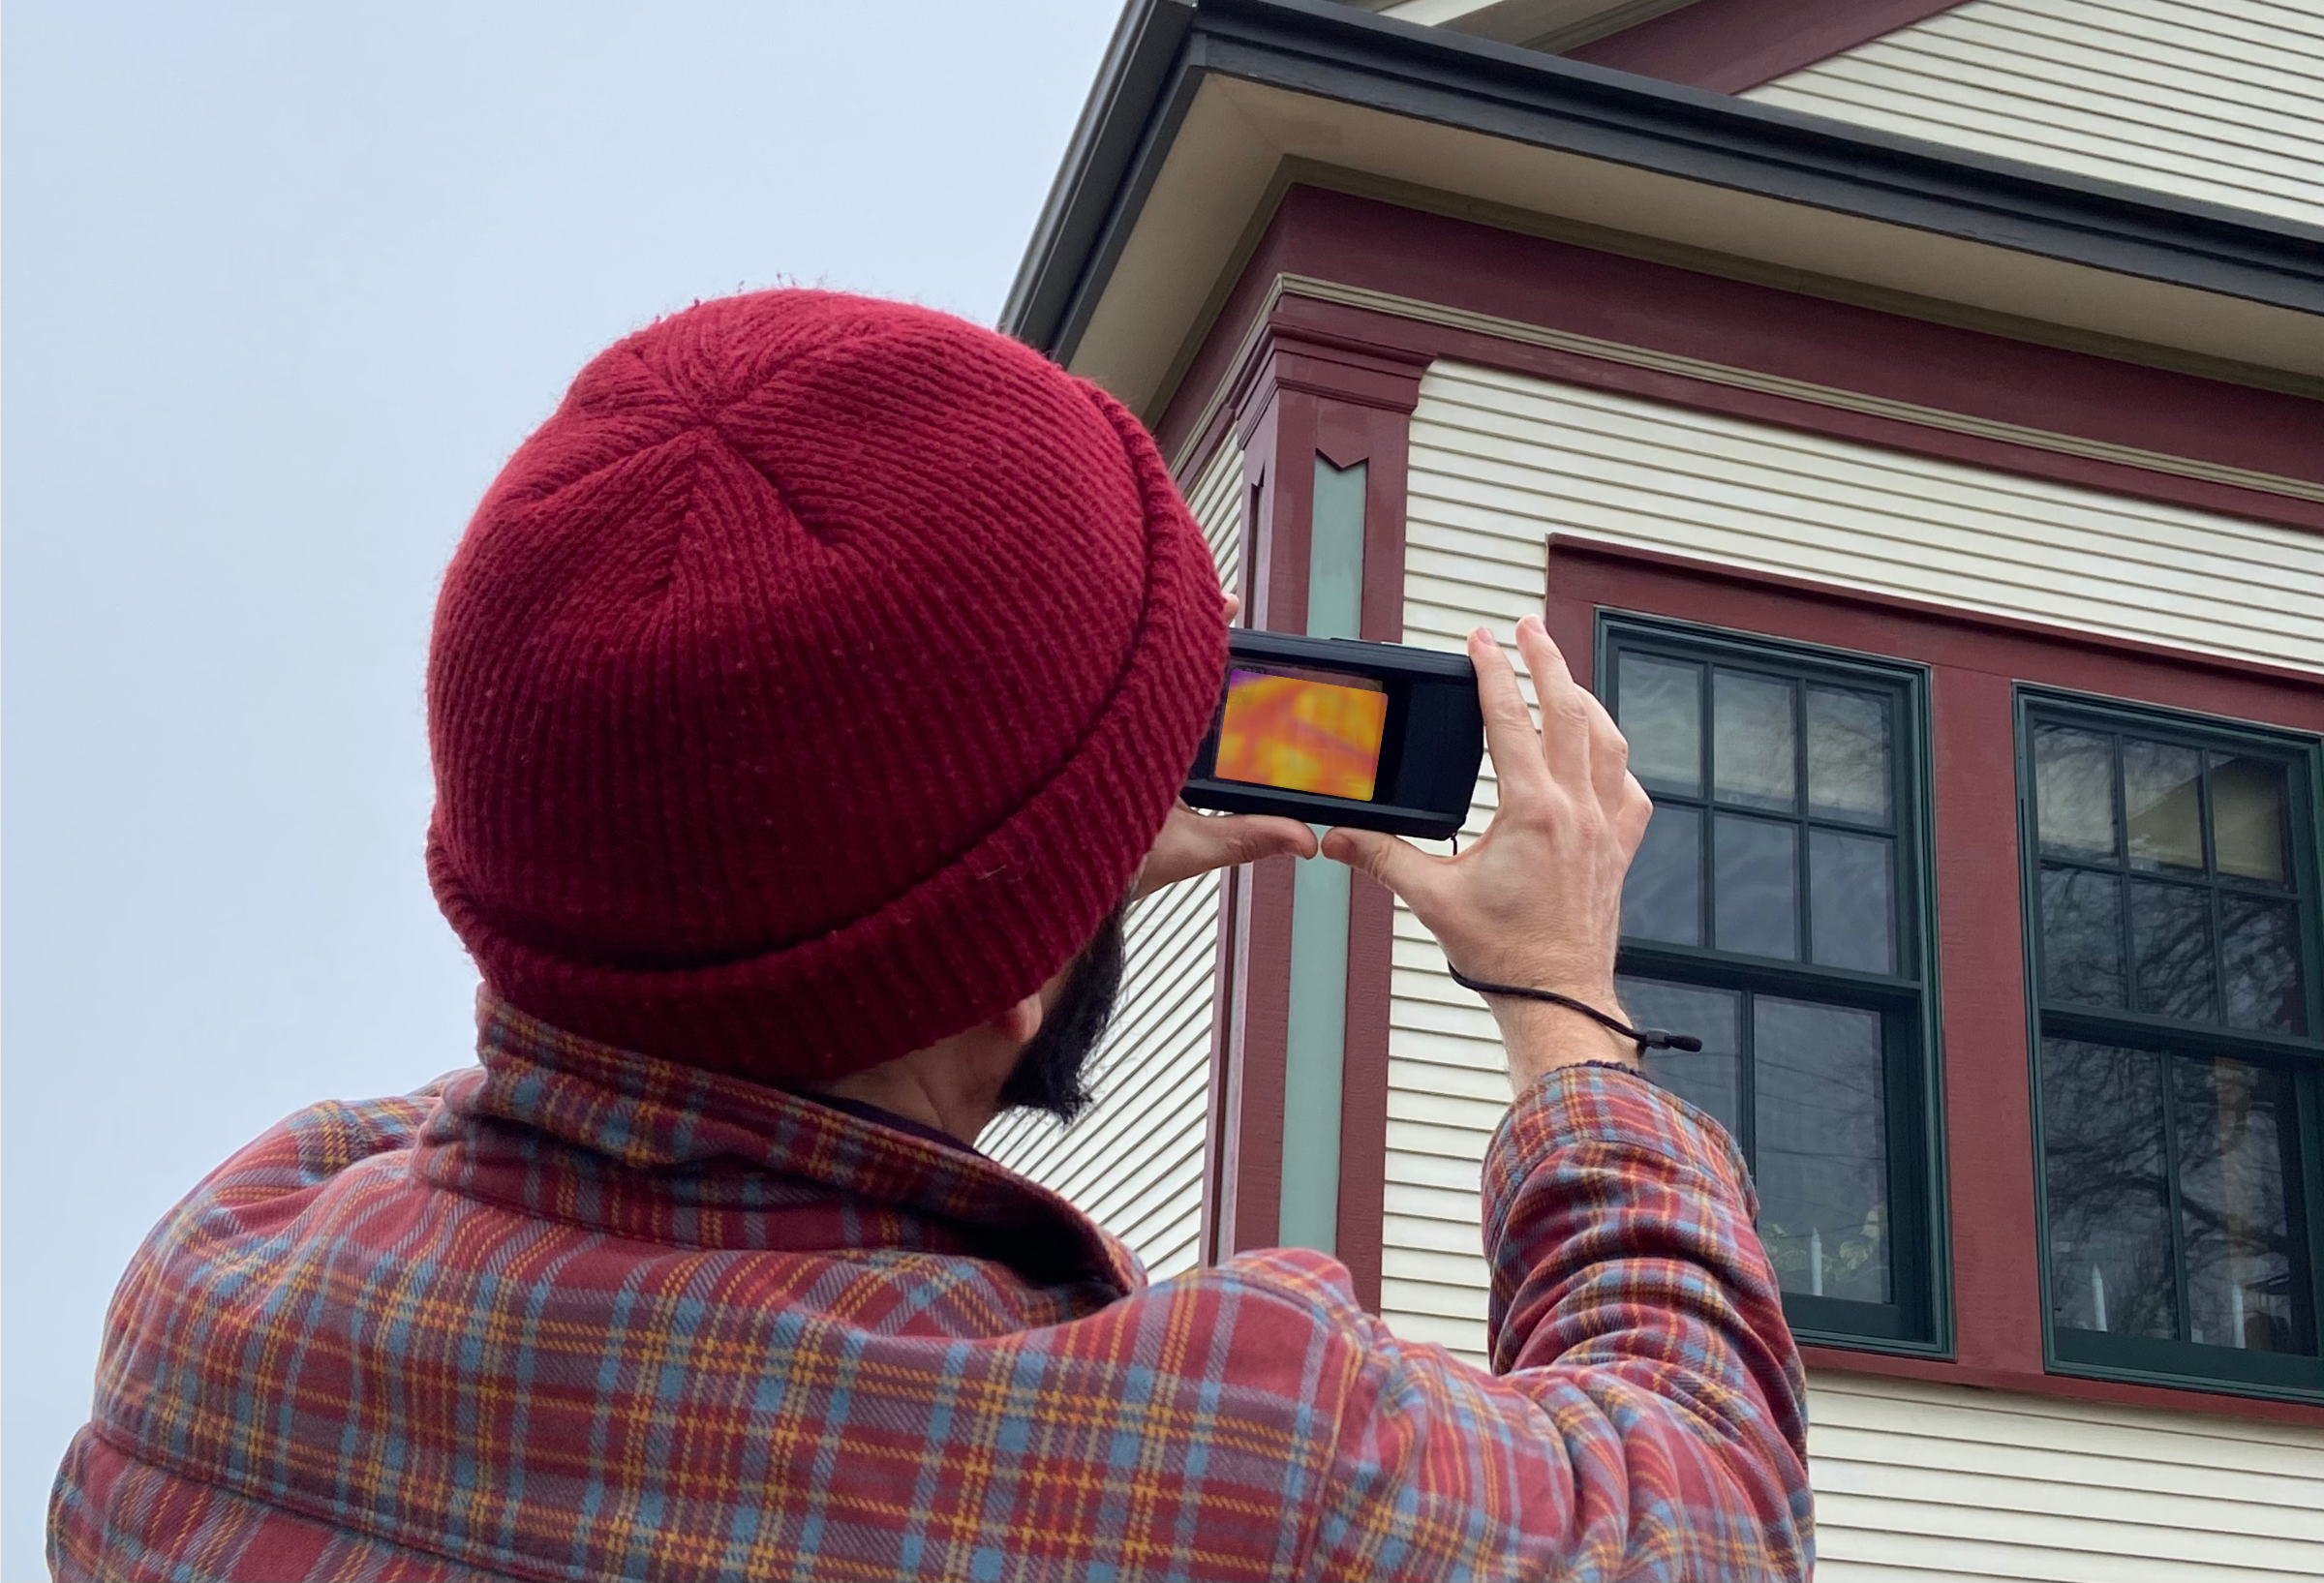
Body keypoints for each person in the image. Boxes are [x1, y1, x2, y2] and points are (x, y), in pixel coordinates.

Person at [50, 290, 1812, 1581]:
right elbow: (1707, 1508)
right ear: (1012, 973)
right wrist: (1560, 998)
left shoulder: (217, 1284)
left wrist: (1006, 876)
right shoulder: (1233, 1462)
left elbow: (649, 974)